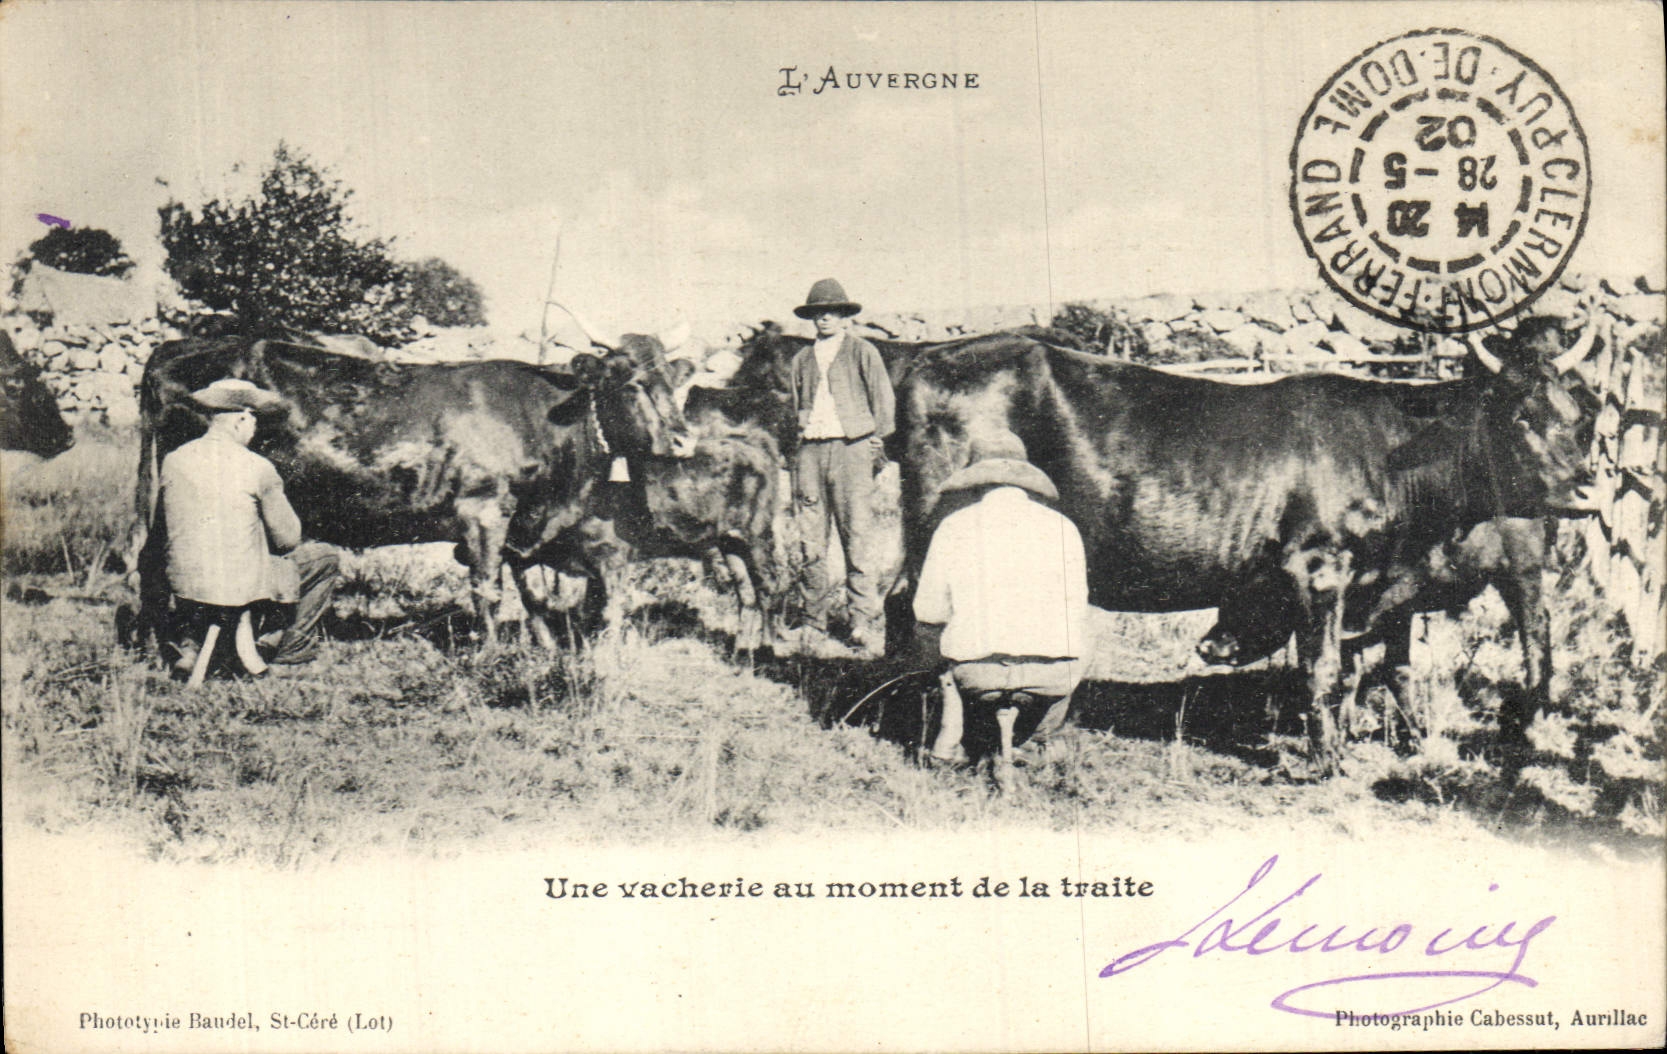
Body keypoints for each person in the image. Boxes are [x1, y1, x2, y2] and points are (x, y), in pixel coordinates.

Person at [911, 432, 1090, 771]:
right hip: (1048, 676)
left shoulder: (953, 526)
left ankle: (951, 734)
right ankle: (1039, 739)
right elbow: (1076, 610)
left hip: (974, 675)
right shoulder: (1063, 527)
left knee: (930, 631)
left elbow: (927, 611)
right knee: (1085, 633)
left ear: (976, 482)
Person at [159, 378, 339, 674]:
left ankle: (192, 643)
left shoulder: (173, 460)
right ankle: (290, 653)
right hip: (236, 587)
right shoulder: (258, 467)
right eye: (254, 419)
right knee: (324, 558)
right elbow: (288, 540)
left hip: (186, 584)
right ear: (242, 418)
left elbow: (164, 527)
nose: (255, 428)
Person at [789, 278, 895, 658]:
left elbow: (883, 404)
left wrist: (874, 446)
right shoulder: (801, 360)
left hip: (852, 451)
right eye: (818, 313)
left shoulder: (862, 352)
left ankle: (861, 621)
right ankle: (813, 622)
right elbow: (796, 407)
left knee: (858, 537)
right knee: (810, 541)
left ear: (845, 316)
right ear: (812, 318)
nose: (825, 318)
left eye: (832, 312)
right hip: (810, 455)